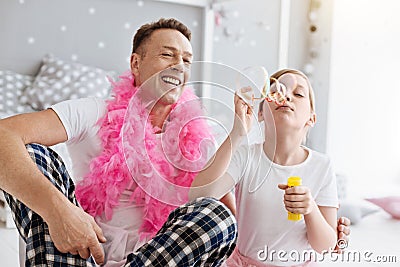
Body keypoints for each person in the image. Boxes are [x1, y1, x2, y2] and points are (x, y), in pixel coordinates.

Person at [0, 18, 237, 266]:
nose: (179, 66)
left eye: (187, 60)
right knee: (34, 155)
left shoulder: (199, 137)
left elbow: (224, 217)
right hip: (80, 254)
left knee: (218, 215)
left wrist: (239, 134)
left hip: (158, 260)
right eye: (168, 55)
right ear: (136, 63)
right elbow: (3, 135)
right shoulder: (94, 111)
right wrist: (59, 212)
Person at [190, 69, 347, 266]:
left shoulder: (322, 166)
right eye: (277, 90)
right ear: (261, 113)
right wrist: (237, 133)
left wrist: (310, 209)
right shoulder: (246, 155)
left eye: (298, 94)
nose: (286, 95)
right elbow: (198, 197)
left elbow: (326, 246)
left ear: (311, 118)